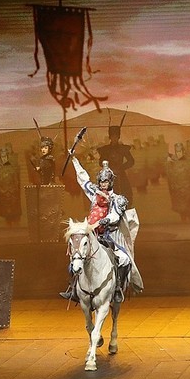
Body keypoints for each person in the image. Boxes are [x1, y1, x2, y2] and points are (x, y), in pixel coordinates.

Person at [60, 157, 136, 303]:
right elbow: (83, 180)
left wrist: (105, 220)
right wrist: (75, 161)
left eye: (105, 182)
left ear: (110, 182)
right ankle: (73, 289)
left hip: (109, 236)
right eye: (101, 182)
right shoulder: (95, 195)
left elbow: (115, 215)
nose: (102, 184)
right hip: (92, 236)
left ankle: (117, 288)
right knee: (76, 258)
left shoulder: (117, 199)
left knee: (124, 259)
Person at [97, 125, 135, 205]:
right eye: (113, 136)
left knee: (125, 194)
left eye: (116, 136)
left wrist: (121, 168)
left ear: (118, 137)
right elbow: (101, 162)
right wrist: (109, 168)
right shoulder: (105, 149)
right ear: (110, 137)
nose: (114, 138)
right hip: (109, 175)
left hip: (121, 174)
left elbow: (131, 161)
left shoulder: (123, 148)